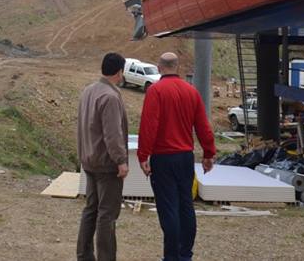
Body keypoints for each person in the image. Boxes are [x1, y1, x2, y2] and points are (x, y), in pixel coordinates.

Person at [138, 52, 216, 261]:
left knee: (168, 208)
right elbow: (203, 126)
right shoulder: (192, 92)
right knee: (186, 205)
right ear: (177, 67)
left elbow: (149, 126)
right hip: (185, 157)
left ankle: (171, 256)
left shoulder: (155, 91)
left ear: (159, 67)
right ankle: (185, 254)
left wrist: (143, 155)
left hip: (163, 158)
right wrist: (209, 154)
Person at [76, 52, 129, 261]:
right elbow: (112, 134)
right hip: (106, 165)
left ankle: (84, 255)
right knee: (107, 215)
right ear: (120, 72)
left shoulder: (88, 90)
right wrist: (121, 161)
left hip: (89, 160)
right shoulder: (110, 96)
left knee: (91, 209)